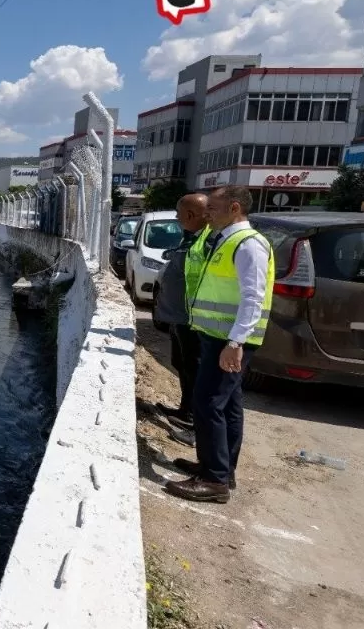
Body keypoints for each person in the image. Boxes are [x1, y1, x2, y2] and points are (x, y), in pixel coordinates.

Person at [165, 185, 274, 504]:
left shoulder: (249, 244)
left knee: (209, 402)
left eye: (213, 207)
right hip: (218, 335)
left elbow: (253, 297)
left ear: (235, 208)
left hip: (229, 339)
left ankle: (214, 481)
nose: (207, 212)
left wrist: (236, 342)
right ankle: (220, 468)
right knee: (227, 403)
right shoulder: (226, 239)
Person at [150, 193, 210, 447]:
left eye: (179, 212)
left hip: (193, 318)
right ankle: (185, 411)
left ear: (191, 215)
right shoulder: (191, 239)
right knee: (181, 363)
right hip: (179, 316)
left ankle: (197, 424)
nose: (176, 217)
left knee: (195, 370)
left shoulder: (207, 242)